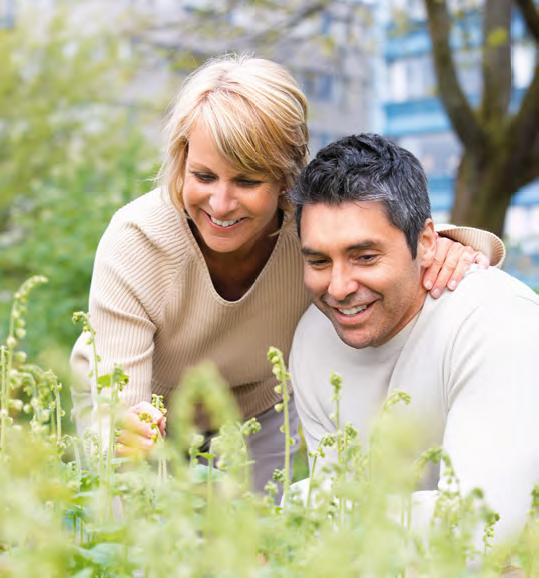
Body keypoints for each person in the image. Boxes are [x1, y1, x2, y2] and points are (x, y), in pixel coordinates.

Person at [70, 55, 502, 493]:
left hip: (255, 414)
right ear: (181, 162)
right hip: (141, 409)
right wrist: (127, 436)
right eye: (203, 176)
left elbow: (391, 238)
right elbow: (119, 409)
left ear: (285, 177)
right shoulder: (139, 240)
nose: (220, 204)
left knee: (252, 531)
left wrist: (453, 244)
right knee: (134, 517)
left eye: (246, 182)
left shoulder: (309, 233)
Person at [289, 133, 538, 539]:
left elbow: (481, 529)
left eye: (365, 257)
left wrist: (305, 503)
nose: (338, 288)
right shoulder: (313, 338)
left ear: (425, 242)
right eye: (318, 261)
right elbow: (328, 537)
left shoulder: (496, 321)